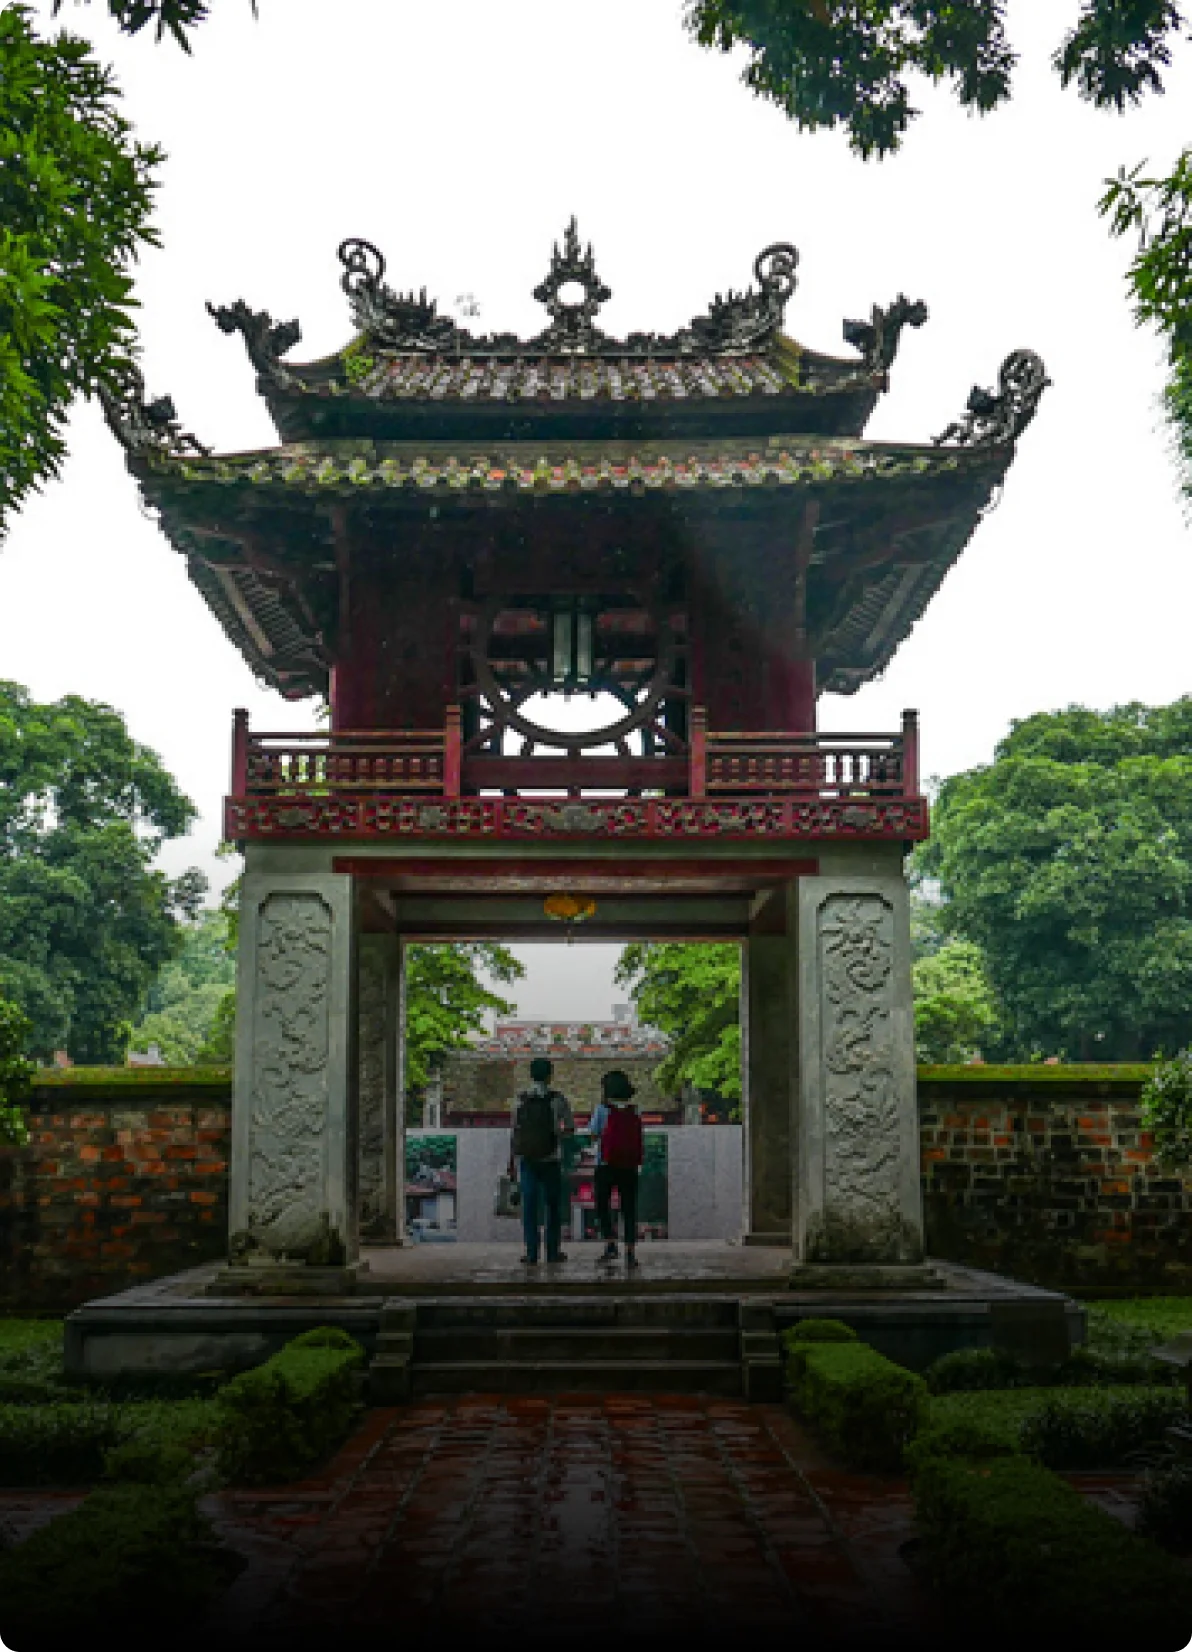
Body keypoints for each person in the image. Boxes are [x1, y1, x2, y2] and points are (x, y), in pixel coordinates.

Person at [508, 1056, 574, 1266]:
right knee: (552, 1207)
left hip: (527, 1159)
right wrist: (556, 1136)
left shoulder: (521, 1099)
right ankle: (553, 1252)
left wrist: (512, 1160)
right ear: (549, 1075)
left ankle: (531, 1253)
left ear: (531, 1075)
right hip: (551, 1158)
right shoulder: (558, 1099)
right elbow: (570, 1128)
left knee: (529, 1207)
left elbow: (515, 1132)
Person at [589, 1069, 643, 1269]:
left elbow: (594, 1134)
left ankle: (610, 1244)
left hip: (606, 1164)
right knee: (629, 1208)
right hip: (629, 1166)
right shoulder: (635, 1110)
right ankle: (630, 1251)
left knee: (602, 1206)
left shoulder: (602, 1109)